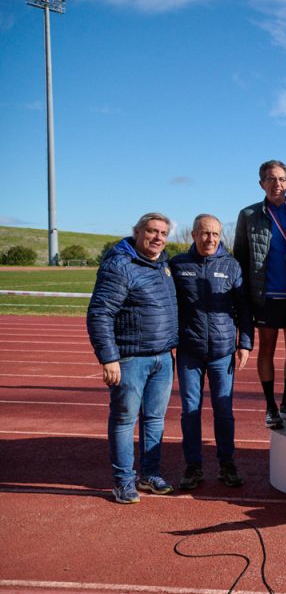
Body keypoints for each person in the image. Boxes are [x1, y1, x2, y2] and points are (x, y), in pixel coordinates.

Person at [87, 213, 178, 503]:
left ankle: (150, 474)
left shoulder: (162, 264)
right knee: (124, 420)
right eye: (152, 231)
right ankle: (124, 481)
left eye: (163, 233)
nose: (158, 237)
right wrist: (108, 358)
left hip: (162, 357)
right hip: (130, 359)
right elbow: (100, 313)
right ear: (137, 232)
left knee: (155, 420)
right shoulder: (120, 265)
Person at [170, 214, 252, 490]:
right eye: (205, 233)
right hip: (189, 351)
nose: (210, 239)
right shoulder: (178, 265)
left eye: (215, 234)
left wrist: (245, 343)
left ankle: (227, 464)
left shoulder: (231, 266)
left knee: (224, 411)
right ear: (193, 235)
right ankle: (193, 466)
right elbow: (168, 306)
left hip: (222, 351)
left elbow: (244, 308)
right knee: (190, 411)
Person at [234, 160, 286, 429]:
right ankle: (270, 406)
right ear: (261, 183)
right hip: (267, 294)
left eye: (282, 179)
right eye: (271, 179)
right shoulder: (249, 214)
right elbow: (240, 257)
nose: (277, 184)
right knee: (266, 348)